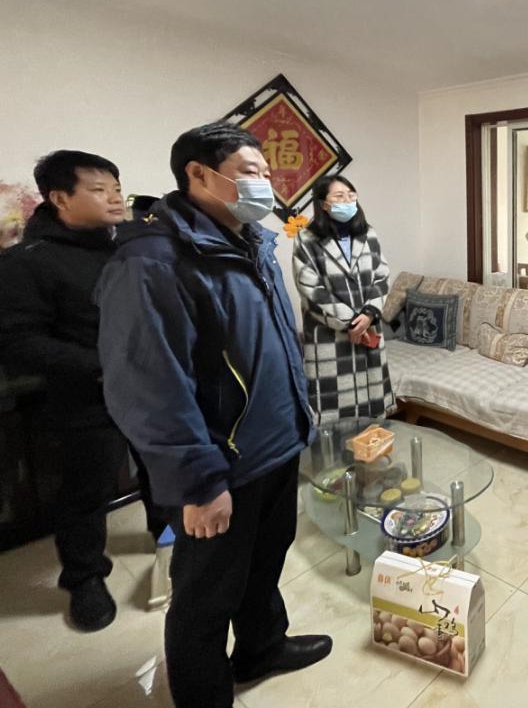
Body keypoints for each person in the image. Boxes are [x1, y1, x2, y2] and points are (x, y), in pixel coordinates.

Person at [95, 122, 331, 708]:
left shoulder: (253, 243)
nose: (264, 185)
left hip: (276, 447)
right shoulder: (154, 262)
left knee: (263, 566)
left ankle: (262, 648)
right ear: (198, 174)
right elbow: (148, 387)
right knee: (206, 596)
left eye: (267, 174)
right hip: (220, 468)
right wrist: (199, 482)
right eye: (250, 172)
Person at [0, 151, 164, 632]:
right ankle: (85, 577)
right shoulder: (28, 262)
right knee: (86, 491)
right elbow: (18, 342)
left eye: (116, 187)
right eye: (98, 189)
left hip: (150, 389)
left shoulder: (126, 246)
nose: (114, 197)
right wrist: (102, 366)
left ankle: (168, 536)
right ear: (60, 198)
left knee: (161, 467)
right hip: (86, 396)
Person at [292, 175, 396, 423]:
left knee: (371, 410)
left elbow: (382, 276)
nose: (347, 201)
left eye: (351, 195)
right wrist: (351, 322)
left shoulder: (368, 234)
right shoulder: (306, 239)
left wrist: (369, 313)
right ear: (323, 204)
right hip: (329, 335)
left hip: (368, 328)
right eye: (339, 196)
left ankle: (372, 445)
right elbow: (311, 289)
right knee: (334, 413)